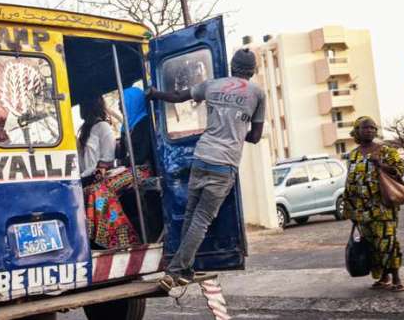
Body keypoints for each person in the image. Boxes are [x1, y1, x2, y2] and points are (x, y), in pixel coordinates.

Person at [146, 48, 265, 290]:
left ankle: (184, 268)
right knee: (201, 220)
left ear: (232, 66)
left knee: (191, 216)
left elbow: (179, 96)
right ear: (252, 70)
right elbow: (255, 137)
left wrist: (154, 93)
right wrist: (238, 129)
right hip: (224, 165)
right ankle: (175, 271)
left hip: (201, 157)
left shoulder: (212, 85)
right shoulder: (257, 94)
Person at [343, 116, 404, 292]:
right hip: (362, 210)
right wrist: (351, 210)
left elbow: (400, 171)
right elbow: (350, 181)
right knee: (371, 245)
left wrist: (382, 165)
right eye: (365, 128)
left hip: (383, 207)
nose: (370, 130)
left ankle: (396, 278)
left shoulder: (386, 151)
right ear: (357, 131)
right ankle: (383, 277)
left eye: (372, 128)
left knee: (388, 242)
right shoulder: (353, 154)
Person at [77, 95, 148, 250]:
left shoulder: (141, 125)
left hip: (137, 169)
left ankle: (121, 240)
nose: (120, 107)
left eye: (123, 104)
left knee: (98, 192)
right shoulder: (87, 129)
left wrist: (105, 169)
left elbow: (111, 159)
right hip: (90, 174)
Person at [116, 86, 153, 166]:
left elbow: (141, 156)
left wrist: (119, 163)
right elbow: (122, 153)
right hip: (132, 167)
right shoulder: (126, 125)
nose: (119, 107)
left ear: (133, 103)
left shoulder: (144, 123)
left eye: (122, 102)